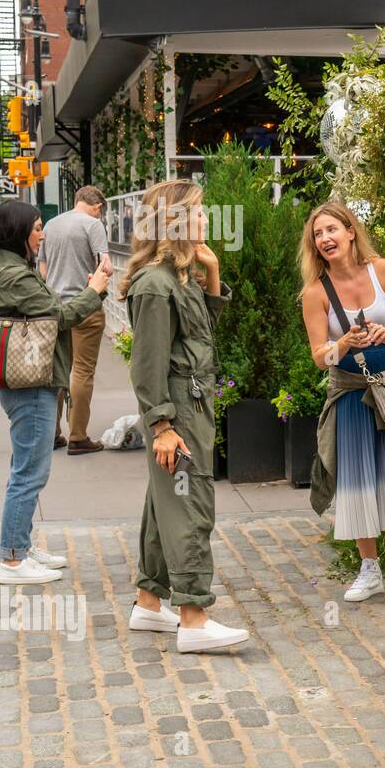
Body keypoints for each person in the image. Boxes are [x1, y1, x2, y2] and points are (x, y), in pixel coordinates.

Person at [122, 179, 248, 653]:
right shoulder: (155, 285)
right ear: (172, 220)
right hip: (178, 409)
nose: (205, 219)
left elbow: (199, 339)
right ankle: (194, 618)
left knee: (165, 503)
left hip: (191, 403)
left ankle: (148, 603)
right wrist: (162, 426)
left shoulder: (179, 276)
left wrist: (212, 276)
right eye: (196, 212)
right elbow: (146, 364)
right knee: (190, 503)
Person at [300, 200, 385, 608]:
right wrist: (341, 344)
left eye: (331, 230)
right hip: (353, 393)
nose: (325, 239)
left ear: (350, 231)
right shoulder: (314, 292)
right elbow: (319, 356)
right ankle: (370, 569)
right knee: (358, 481)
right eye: (318, 234)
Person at [0, 200, 112, 585]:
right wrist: (93, 290)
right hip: (32, 386)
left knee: (24, 468)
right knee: (30, 472)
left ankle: (19, 545)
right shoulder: (15, 277)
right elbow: (60, 317)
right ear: (19, 232)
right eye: (37, 227)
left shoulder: (14, 270)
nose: (42, 233)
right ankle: (12, 558)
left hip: (30, 384)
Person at [38, 186, 113, 453]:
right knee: (82, 371)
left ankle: (52, 433)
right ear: (97, 206)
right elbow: (105, 266)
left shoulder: (51, 223)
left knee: (59, 371)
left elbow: (43, 269)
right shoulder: (93, 224)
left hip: (56, 309)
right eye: (100, 209)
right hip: (86, 307)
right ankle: (78, 436)